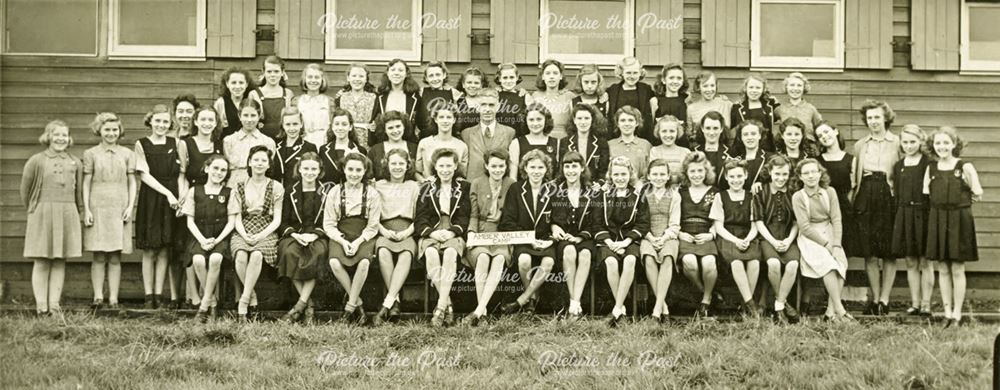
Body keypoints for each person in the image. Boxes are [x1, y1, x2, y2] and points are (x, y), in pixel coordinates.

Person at [20, 120, 83, 317]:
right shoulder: (37, 160)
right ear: (48, 136)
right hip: (42, 212)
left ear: (69, 138)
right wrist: (36, 209)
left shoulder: (75, 162)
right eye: (57, 135)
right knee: (41, 260)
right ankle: (41, 307)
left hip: (66, 212)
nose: (61, 139)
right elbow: (25, 190)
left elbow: (78, 191)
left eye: (65, 135)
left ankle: (54, 306)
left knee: (59, 260)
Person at [925, 127, 984, 327]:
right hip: (938, 217)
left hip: (959, 219)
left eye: (945, 143)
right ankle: (947, 312)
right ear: (933, 146)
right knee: (942, 267)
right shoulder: (931, 168)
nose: (942, 147)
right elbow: (928, 193)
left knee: (957, 267)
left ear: (954, 144)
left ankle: (958, 313)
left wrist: (960, 206)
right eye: (938, 143)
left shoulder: (964, 166)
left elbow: (977, 192)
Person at [134, 105, 189, 309]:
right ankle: (148, 296)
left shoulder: (178, 143)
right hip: (152, 197)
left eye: (165, 122)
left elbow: (182, 174)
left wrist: (181, 196)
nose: (161, 125)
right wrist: (167, 194)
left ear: (170, 123)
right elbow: (144, 175)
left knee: (165, 248)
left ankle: (159, 294)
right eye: (157, 121)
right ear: (150, 121)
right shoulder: (141, 144)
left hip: (173, 199)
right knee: (150, 249)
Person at [82, 113, 136, 310]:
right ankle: (98, 297)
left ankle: (113, 298)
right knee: (98, 255)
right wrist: (87, 209)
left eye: (115, 130)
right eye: (107, 129)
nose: (111, 133)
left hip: (119, 207)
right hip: (98, 206)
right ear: (99, 131)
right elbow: (86, 183)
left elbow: (132, 183)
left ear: (120, 131)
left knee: (115, 255)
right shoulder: (91, 154)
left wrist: (130, 207)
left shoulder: (128, 154)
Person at [852, 99, 900, 316]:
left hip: (888, 196)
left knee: (889, 252)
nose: (873, 122)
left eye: (877, 117)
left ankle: (885, 300)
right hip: (867, 195)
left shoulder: (898, 143)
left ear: (886, 118)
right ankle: (874, 298)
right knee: (870, 253)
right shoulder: (861, 145)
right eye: (870, 118)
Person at [415, 149, 472, 327]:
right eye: (441, 166)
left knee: (449, 254)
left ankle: (440, 308)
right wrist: (431, 232)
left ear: (455, 166)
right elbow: (421, 217)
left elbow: (465, 216)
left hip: (454, 232)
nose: (445, 170)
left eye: (449, 165)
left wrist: (453, 232)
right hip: (432, 231)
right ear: (435, 167)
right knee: (431, 253)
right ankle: (447, 305)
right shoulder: (426, 187)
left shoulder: (464, 187)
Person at [324, 152, 382, 325]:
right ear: (343, 169)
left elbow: (373, 226)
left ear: (365, 171)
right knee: (335, 262)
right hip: (341, 234)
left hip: (363, 235)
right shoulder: (334, 192)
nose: (354, 174)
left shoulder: (372, 193)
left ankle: (349, 308)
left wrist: (358, 242)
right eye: (350, 169)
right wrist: (342, 241)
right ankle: (359, 304)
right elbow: (328, 224)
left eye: (358, 170)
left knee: (364, 263)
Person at [792, 158, 853, 322]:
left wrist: (837, 244)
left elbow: (837, 219)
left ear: (820, 173)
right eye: (806, 173)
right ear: (800, 177)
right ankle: (840, 310)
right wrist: (826, 245)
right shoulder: (798, 197)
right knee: (828, 266)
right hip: (811, 237)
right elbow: (804, 227)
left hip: (830, 232)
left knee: (840, 265)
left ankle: (830, 312)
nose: (811, 176)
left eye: (814, 172)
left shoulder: (830, 192)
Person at [593, 156, 650, 326]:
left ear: (630, 174)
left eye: (623, 174)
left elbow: (643, 223)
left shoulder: (638, 195)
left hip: (629, 240)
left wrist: (625, 243)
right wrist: (610, 243)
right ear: (610, 175)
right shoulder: (602, 195)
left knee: (630, 259)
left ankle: (617, 309)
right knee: (610, 261)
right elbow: (596, 223)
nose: (620, 178)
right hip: (607, 240)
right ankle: (622, 308)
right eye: (616, 174)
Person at [229, 145, 284, 321]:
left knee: (257, 255)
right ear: (250, 162)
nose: (259, 163)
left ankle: (243, 302)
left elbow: (277, 220)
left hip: (267, 228)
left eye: (263, 160)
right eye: (256, 160)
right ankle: (252, 297)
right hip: (243, 227)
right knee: (240, 255)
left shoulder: (276, 187)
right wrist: (244, 235)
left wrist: (260, 236)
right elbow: (236, 216)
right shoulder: (239, 186)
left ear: (269, 165)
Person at [463, 149, 516, 326]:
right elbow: (474, 214)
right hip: (481, 231)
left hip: (502, 233)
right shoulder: (477, 183)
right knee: (483, 257)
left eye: (501, 166)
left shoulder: (511, 184)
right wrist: (471, 232)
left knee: (500, 258)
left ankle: (478, 311)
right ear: (486, 166)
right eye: (493, 166)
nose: (497, 170)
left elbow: (512, 216)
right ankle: (483, 312)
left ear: (506, 166)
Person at [276, 153, 328, 325]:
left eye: (314, 169)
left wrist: (315, 234)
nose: (309, 172)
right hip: (296, 234)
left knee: (318, 252)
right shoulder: (290, 191)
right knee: (290, 252)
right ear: (299, 169)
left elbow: (328, 220)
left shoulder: (325, 192)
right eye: (305, 168)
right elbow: (283, 221)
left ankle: (299, 307)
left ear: (320, 171)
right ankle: (308, 304)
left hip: (317, 234)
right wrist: (295, 234)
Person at [182, 155, 236, 322]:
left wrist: (217, 240)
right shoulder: (194, 191)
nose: (218, 172)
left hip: (220, 238)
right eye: (215, 168)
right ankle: (212, 302)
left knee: (216, 258)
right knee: (198, 260)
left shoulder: (229, 193)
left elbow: (231, 222)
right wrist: (203, 240)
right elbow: (190, 222)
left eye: (223, 170)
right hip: (199, 236)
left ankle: (204, 306)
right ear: (207, 168)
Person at [372, 149, 421, 325]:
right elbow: (372, 215)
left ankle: (388, 303)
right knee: (383, 250)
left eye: (401, 163)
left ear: (407, 165)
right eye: (393, 163)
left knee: (406, 253)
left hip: (407, 229)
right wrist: (383, 231)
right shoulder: (378, 185)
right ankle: (395, 302)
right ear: (387, 164)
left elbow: (420, 216)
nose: (397, 167)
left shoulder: (413, 186)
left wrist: (407, 232)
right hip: (384, 228)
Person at [751, 154, 801, 324]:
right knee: (773, 264)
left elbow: (796, 222)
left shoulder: (794, 193)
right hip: (767, 236)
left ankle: (779, 304)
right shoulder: (761, 191)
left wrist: (788, 240)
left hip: (788, 236)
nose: (781, 178)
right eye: (777, 174)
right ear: (770, 172)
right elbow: (758, 222)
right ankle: (785, 305)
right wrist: (772, 241)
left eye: (785, 174)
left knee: (793, 264)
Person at [711, 160, 762, 319]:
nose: (736, 180)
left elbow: (755, 225)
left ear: (746, 176)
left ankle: (744, 303)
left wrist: (747, 238)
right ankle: (751, 305)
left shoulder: (751, 196)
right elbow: (718, 226)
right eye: (732, 176)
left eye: (739, 176)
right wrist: (735, 240)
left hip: (748, 235)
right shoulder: (721, 196)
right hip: (728, 236)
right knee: (737, 262)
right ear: (726, 177)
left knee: (754, 262)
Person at [892, 125, 934, 317]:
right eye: (905, 142)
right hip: (905, 214)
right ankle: (915, 303)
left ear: (920, 142)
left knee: (925, 261)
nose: (909, 146)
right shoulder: (898, 166)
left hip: (924, 214)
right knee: (910, 261)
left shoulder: (928, 164)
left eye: (913, 142)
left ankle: (926, 304)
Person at [677, 152, 720, 318]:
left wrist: (711, 235)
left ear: (706, 172)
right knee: (690, 263)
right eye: (692, 171)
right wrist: (680, 234)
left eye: (700, 171)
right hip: (686, 234)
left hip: (706, 234)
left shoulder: (714, 192)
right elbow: (673, 216)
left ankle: (706, 301)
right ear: (687, 173)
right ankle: (705, 294)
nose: (696, 175)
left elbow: (719, 219)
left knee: (709, 263)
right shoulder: (680, 192)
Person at [640, 159, 680, 323]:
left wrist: (663, 238)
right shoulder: (642, 194)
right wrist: (650, 237)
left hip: (667, 236)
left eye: (662, 174)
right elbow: (639, 221)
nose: (658, 177)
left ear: (668, 176)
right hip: (647, 235)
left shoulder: (674, 195)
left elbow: (675, 224)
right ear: (649, 176)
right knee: (648, 257)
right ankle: (663, 307)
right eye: (655, 174)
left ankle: (657, 310)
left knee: (668, 256)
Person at [461, 88, 516, 182]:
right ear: (477, 107)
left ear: (498, 106)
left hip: (500, 187)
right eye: (483, 105)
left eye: (491, 105)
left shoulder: (509, 132)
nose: (487, 109)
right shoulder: (466, 134)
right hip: (473, 187)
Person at [222, 100, 277, 187]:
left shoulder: (268, 142)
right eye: (245, 115)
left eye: (253, 115)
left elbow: (269, 168)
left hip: (259, 186)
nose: (249, 119)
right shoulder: (229, 141)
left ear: (259, 116)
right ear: (239, 116)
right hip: (233, 185)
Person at [371, 59, 421, 144]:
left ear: (406, 74)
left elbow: (422, 124)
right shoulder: (380, 96)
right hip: (384, 142)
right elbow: (373, 121)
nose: (396, 73)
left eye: (400, 70)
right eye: (393, 70)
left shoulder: (415, 97)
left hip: (407, 142)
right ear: (387, 73)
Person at [606, 57, 655, 142]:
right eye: (628, 73)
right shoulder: (613, 90)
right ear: (622, 73)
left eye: (635, 73)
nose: (632, 76)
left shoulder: (646, 90)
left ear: (640, 73)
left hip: (641, 137)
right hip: (617, 137)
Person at [509, 103, 562, 181]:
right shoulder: (516, 143)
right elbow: (513, 177)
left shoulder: (556, 143)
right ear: (525, 121)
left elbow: (558, 175)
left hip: (549, 191)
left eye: (539, 119)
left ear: (546, 120)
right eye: (531, 120)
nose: (535, 123)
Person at [560, 103, 610, 185]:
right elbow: (562, 168)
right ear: (574, 120)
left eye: (586, 118)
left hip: (594, 187)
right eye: (579, 118)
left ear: (592, 120)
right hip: (571, 185)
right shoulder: (565, 142)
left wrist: (599, 184)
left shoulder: (601, 143)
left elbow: (603, 170)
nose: (583, 122)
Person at [416, 104, 469, 179]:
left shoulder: (462, 146)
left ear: (454, 120)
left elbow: (462, 176)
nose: (445, 121)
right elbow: (418, 172)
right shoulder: (424, 143)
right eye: (441, 117)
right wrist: (425, 182)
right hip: (430, 188)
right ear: (435, 119)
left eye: (449, 117)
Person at [269, 107, 318, 187]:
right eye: (288, 124)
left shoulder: (309, 147)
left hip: (297, 193)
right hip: (277, 192)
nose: (291, 128)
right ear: (283, 125)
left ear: (301, 124)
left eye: (295, 124)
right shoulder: (275, 146)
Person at [248, 55, 294, 141]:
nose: (272, 75)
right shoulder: (254, 94)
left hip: (284, 140)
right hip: (261, 139)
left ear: (282, 72)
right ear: (263, 72)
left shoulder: (288, 94)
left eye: (276, 71)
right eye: (269, 71)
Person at [730, 74, 779, 152]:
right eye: (751, 87)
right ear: (745, 88)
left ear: (763, 89)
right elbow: (728, 125)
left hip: (767, 147)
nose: (754, 91)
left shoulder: (771, 105)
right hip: (743, 148)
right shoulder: (737, 107)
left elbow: (784, 116)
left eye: (758, 88)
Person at [318, 108, 367, 186]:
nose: (340, 128)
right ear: (332, 126)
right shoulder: (323, 150)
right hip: (329, 194)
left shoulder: (360, 150)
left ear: (350, 127)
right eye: (337, 124)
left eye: (344, 124)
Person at [292, 63, 336, 147]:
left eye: (317, 77)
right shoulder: (297, 101)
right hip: (303, 142)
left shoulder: (329, 101)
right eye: (310, 77)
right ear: (304, 79)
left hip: (324, 142)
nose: (313, 80)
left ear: (322, 80)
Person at [335, 63, 378, 147]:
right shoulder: (341, 98)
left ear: (366, 79)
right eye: (354, 76)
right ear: (348, 78)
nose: (357, 79)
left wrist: (375, 125)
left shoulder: (374, 98)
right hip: (347, 138)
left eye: (361, 76)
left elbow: (378, 118)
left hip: (367, 140)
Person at [368, 111, 418, 181]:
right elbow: (369, 175)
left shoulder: (414, 148)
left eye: (398, 126)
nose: (395, 131)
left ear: (404, 126)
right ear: (384, 130)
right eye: (390, 128)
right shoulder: (375, 150)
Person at [415, 61, 461, 140]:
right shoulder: (421, 92)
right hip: (425, 137)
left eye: (438, 75)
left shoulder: (453, 93)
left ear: (444, 75)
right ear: (426, 78)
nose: (435, 79)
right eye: (431, 76)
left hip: (446, 135)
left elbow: (458, 116)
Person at [531, 59, 575, 139]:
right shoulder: (536, 96)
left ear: (561, 76)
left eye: (555, 73)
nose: (551, 77)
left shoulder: (569, 96)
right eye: (548, 73)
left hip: (564, 139)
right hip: (542, 138)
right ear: (543, 77)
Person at [774, 72, 823, 143]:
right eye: (792, 85)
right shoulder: (780, 109)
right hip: (787, 146)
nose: (795, 88)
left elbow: (820, 127)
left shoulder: (811, 109)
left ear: (804, 88)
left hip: (808, 147)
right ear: (786, 87)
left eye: (799, 85)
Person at [650, 63, 690, 147]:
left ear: (683, 81)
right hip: (660, 147)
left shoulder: (686, 100)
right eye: (671, 78)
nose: (675, 81)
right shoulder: (655, 101)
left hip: (681, 147)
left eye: (679, 78)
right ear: (664, 80)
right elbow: (651, 128)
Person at [608, 106, 653, 180]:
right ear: (617, 124)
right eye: (623, 120)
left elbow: (650, 171)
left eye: (630, 120)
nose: (627, 124)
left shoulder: (646, 145)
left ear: (637, 123)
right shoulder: (610, 145)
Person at [686, 71, 733, 139]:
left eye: (712, 85)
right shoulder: (691, 108)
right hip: (700, 147)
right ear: (698, 87)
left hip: (724, 146)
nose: (709, 89)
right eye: (705, 86)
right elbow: (689, 134)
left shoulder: (726, 104)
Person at [691, 111, 733, 187]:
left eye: (715, 128)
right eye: (708, 128)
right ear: (702, 128)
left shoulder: (731, 153)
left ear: (721, 129)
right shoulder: (693, 152)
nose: (711, 132)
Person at [214, 68, 255, 141]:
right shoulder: (221, 103)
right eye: (233, 83)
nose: (237, 86)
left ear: (246, 84)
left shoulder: (251, 100)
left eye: (241, 83)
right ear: (227, 84)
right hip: (227, 143)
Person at [648, 116, 692, 184]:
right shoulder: (655, 151)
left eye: (672, 131)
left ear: (677, 132)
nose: (668, 135)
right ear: (658, 132)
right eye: (664, 131)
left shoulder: (686, 152)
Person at [494, 63, 531, 137]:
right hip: (499, 137)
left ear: (517, 78)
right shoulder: (495, 95)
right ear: (499, 79)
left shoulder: (524, 96)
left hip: (519, 136)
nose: (508, 81)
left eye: (511, 77)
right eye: (505, 78)